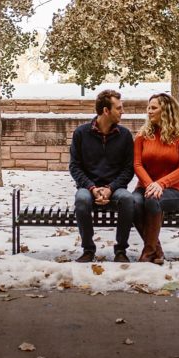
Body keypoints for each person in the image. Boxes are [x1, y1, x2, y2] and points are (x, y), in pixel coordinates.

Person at [69, 89, 137, 263]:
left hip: (115, 188)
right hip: (88, 187)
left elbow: (128, 169)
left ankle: (121, 250)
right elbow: (75, 167)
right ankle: (88, 249)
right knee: (81, 199)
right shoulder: (81, 133)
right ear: (106, 111)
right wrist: (92, 188)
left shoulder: (125, 136)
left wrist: (110, 188)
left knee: (128, 199)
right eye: (119, 108)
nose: (122, 111)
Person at [132, 93, 179, 265]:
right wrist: (150, 184)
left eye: (153, 108)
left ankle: (148, 252)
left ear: (166, 110)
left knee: (152, 200)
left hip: (173, 191)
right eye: (148, 108)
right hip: (144, 187)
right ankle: (156, 249)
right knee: (133, 202)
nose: (149, 111)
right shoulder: (142, 135)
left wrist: (161, 184)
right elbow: (137, 164)